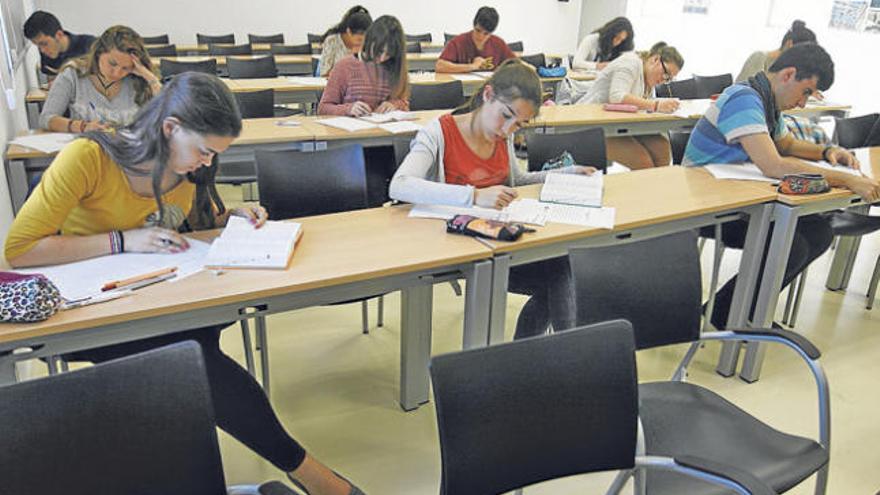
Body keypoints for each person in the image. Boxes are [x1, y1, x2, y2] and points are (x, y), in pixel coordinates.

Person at [5, 72, 367, 495]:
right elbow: (21, 249)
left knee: (198, 344)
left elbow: (195, 223)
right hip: (91, 314)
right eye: (204, 151)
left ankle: (237, 464)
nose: (208, 163)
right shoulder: (89, 158)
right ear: (169, 128)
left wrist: (231, 217)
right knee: (192, 356)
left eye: (216, 154)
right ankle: (306, 471)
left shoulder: (188, 171)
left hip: (156, 297)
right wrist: (123, 240)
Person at [390, 59, 597, 340]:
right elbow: (400, 186)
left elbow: (518, 181)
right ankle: (563, 361)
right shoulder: (439, 132)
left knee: (561, 268)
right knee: (558, 279)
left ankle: (534, 360)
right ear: (487, 95)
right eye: (506, 115)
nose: (508, 129)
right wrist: (473, 195)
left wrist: (567, 174)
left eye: (519, 124)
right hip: (460, 246)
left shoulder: (504, 135)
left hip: (502, 240)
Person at [683, 43, 880, 329]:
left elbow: (784, 143)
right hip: (708, 202)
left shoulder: (767, 102)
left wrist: (826, 151)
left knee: (819, 232)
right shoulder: (744, 97)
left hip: (742, 197)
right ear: (788, 74)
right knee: (793, 244)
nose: (803, 103)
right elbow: (773, 164)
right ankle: (728, 311)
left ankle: (743, 309)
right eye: (806, 92)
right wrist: (848, 179)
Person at [577, 44, 684, 169]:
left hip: (619, 124)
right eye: (666, 74)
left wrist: (662, 104)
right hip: (593, 124)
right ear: (655, 60)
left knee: (663, 149)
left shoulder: (648, 78)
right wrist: (656, 105)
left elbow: (642, 104)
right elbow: (617, 97)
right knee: (643, 161)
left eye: (669, 79)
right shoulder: (630, 62)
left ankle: (654, 188)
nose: (663, 80)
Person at [39, 25, 162, 133]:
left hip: (129, 154)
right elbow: (46, 118)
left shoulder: (137, 80)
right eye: (112, 64)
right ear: (98, 53)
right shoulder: (72, 74)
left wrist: (151, 78)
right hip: (87, 151)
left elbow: (168, 118)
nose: (117, 73)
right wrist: (82, 127)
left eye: (126, 68)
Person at [318, 15, 409, 116]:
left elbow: (404, 103)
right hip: (350, 129)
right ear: (369, 40)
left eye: (389, 54)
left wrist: (394, 105)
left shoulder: (394, 67)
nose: (382, 58)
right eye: (379, 52)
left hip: (383, 129)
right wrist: (348, 109)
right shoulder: (344, 66)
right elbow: (323, 108)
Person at [436, 6, 516, 73]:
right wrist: (472, 66)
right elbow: (440, 66)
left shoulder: (498, 43)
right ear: (473, 25)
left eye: (486, 34)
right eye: (478, 30)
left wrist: (501, 70)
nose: (480, 36)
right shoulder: (458, 42)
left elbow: (516, 65)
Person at [23, 10, 95, 82]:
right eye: (38, 45)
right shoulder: (47, 52)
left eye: (44, 43)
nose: (42, 50)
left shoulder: (90, 45)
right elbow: (51, 81)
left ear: (59, 35)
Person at [736, 20, 816, 83]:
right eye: (801, 55)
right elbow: (747, 92)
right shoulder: (759, 58)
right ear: (789, 44)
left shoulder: (785, 67)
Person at [318, 5, 372, 77]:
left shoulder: (370, 43)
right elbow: (324, 73)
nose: (361, 41)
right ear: (349, 31)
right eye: (359, 37)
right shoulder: (332, 40)